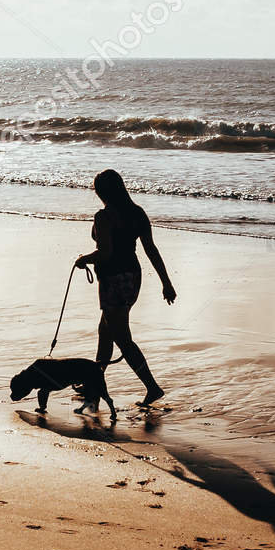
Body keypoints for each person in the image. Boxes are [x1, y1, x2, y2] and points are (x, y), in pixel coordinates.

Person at [74, 169, 175, 408]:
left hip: (112, 280)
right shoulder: (137, 212)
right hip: (132, 277)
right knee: (105, 332)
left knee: (122, 338)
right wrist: (166, 282)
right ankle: (93, 387)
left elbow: (106, 253)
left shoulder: (104, 216)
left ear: (102, 192)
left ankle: (152, 387)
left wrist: (84, 259)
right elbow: (151, 249)